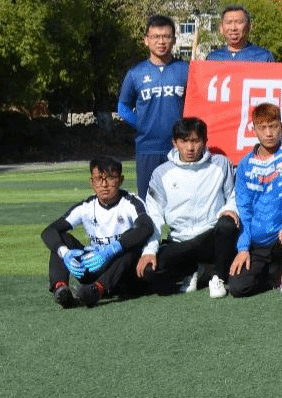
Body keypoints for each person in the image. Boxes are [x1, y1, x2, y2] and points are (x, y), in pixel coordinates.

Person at [136, 117, 240, 298]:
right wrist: (150, 251)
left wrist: (230, 208)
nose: (190, 148)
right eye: (184, 141)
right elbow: (154, 215)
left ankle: (218, 276)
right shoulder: (161, 173)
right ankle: (192, 269)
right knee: (148, 273)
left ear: (205, 141)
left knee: (227, 224)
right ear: (174, 143)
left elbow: (234, 196)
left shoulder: (221, 164)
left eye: (195, 141)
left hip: (211, 238)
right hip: (179, 242)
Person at [228, 103, 282, 297]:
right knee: (238, 287)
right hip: (259, 242)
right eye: (263, 127)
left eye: (273, 126)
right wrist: (243, 248)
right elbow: (244, 208)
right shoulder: (244, 165)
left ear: (281, 126)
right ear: (253, 130)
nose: (269, 133)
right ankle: (273, 275)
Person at [42, 157, 153, 308]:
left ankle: (97, 290)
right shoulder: (86, 207)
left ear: (120, 180)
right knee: (61, 240)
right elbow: (49, 231)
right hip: (94, 266)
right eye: (99, 179)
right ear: (92, 182)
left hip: (122, 272)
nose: (104, 185)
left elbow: (146, 227)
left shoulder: (131, 202)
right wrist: (65, 253)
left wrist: (113, 248)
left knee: (131, 244)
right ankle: (61, 289)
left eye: (110, 178)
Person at [117, 15, 190, 197]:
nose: (161, 41)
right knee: (148, 201)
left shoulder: (186, 70)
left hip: (180, 147)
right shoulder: (135, 73)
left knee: (181, 202)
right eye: (156, 36)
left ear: (174, 39)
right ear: (146, 40)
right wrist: (141, 124)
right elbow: (123, 108)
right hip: (147, 147)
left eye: (166, 36)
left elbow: (197, 105)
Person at [206, 5, 275, 62]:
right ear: (221, 28)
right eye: (228, 22)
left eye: (239, 22)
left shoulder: (263, 57)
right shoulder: (212, 58)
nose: (233, 28)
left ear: (249, 26)